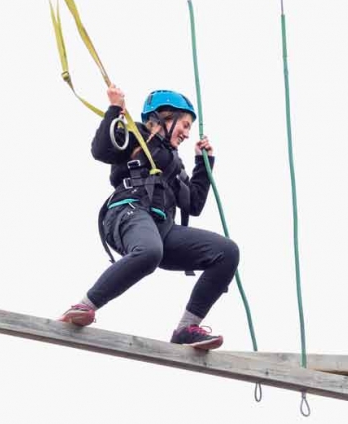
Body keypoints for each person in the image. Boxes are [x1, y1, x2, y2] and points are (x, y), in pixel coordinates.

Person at [58, 86, 239, 350]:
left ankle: (186, 329)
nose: (187, 134)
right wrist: (114, 109)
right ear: (166, 118)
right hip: (127, 212)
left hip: (162, 228)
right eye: (184, 125)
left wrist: (204, 163)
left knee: (226, 252)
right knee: (149, 251)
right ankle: (84, 306)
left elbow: (194, 203)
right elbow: (101, 150)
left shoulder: (175, 165)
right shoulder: (136, 136)